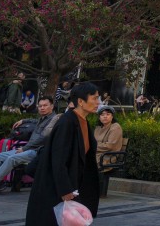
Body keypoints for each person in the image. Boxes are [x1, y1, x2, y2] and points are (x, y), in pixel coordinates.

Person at [24, 82, 101, 226]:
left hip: (73, 185)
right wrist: (65, 189)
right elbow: (58, 159)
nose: (98, 102)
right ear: (80, 101)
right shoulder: (67, 122)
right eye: (95, 98)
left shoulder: (82, 121)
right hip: (56, 188)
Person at [0, 95, 61, 194]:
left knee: (12, 159)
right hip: (27, 149)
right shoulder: (42, 119)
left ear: (52, 106)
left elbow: (43, 138)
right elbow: (34, 121)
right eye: (40, 106)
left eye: (45, 105)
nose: (42, 108)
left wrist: (24, 148)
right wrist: (23, 120)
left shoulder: (54, 120)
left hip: (37, 152)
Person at [94, 105, 123, 192]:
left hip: (109, 156)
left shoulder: (115, 127)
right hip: (99, 154)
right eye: (102, 115)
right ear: (99, 117)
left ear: (112, 116)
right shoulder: (98, 128)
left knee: (88, 161)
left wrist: (94, 146)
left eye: (108, 114)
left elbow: (110, 145)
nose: (105, 116)